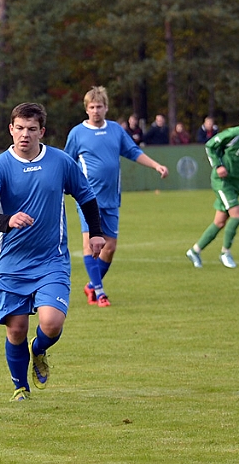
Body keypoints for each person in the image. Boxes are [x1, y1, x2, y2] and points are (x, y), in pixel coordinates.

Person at [0, 102, 104, 401]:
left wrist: (96, 233)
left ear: (41, 131)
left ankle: (39, 348)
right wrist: (7, 220)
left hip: (51, 260)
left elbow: (86, 196)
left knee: (51, 323)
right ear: (11, 129)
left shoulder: (60, 161)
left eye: (32, 129)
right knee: (16, 329)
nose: (25, 134)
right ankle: (20, 388)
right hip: (12, 263)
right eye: (19, 128)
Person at [64, 87, 168, 308]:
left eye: (99, 106)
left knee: (109, 247)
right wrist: (63, 185)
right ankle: (100, 292)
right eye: (92, 107)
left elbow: (133, 152)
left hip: (111, 198)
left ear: (106, 108)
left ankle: (92, 285)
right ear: (86, 109)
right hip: (87, 198)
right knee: (90, 244)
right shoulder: (77, 133)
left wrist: (155, 165)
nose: (96, 111)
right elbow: (67, 162)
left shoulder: (115, 130)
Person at [185, 104, 239, 270]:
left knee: (219, 222)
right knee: (237, 214)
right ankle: (225, 252)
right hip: (223, 182)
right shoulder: (233, 134)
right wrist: (218, 165)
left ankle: (195, 251)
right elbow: (210, 145)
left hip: (238, 184)